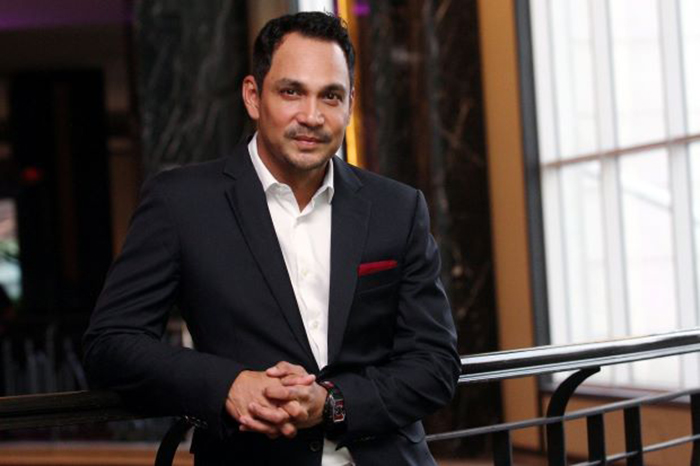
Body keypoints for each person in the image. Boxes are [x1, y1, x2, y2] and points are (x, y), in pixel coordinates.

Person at [83, 11, 460, 466]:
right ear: (253, 96)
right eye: (291, 92)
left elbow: (436, 363)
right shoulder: (180, 204)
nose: (312, 116)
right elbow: (111, 344)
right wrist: (228, 384)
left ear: (350, 104)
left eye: (330, 96)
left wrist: (333, 404)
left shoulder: (398, 208)